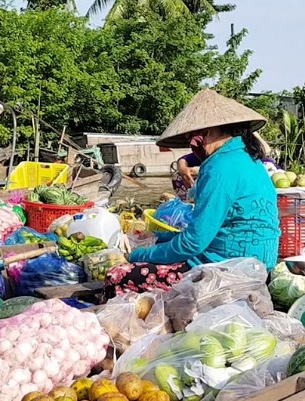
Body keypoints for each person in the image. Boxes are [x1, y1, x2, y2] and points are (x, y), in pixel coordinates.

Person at [106, 89, 281, 297]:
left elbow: (193, 243)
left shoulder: (219, 167)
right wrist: (157, 236)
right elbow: (210, 231)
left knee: (118, 276)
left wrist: (138, 254)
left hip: (225, 270)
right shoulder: (250, 159)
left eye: (195, 135)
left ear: (210, 131)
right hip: (258, 264)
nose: (193, 141)